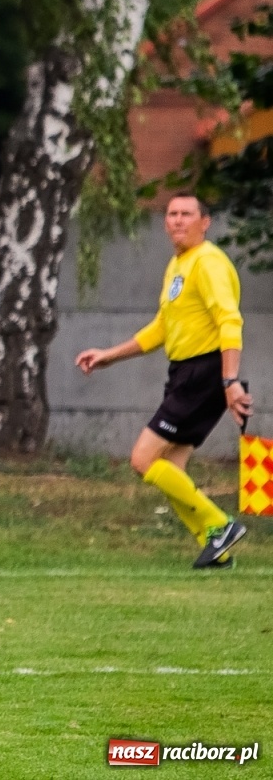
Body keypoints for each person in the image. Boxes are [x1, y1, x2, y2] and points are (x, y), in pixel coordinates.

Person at [75, 192, 253, 570]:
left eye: (187, 214)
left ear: (205, 222)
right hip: (185, 374)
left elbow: (230, 321)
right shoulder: (178, 264)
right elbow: (161, 327)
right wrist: (109, 355)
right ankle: (215, 547)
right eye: (172, 214)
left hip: (204, 373)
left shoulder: (208, 262)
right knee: (170, 467)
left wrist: (230, 380)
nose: (177, 220)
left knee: (143, 460)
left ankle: (221, 525)